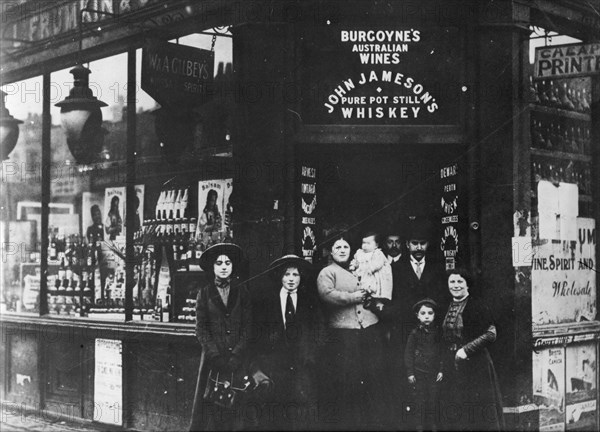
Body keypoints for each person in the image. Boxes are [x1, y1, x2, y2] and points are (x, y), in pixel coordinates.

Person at [371, 217, 446, 427]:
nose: (418, 248)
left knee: (431, 383)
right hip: (403, 332)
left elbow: (441, 299)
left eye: (422, 243)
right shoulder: (394, 268)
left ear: (428, 245)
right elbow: (389, 300)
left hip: (431, 335)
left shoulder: (437, 267)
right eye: (414, 243)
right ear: (407, 245)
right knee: (404, 376)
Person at [317, 231, 388, 430]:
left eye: (345, 247)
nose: (342, 250)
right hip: (344, 333)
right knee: (349, 380)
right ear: (331, 251)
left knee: (372, 377)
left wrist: (370, 299)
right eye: (338, 247)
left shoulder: (358, 267)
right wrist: (354, 297)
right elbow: (327, 295)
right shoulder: (327, 272)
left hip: (368, 329)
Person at [251, 254, 324, 430]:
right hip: (274, 368)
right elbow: (256, 334)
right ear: (279, 276)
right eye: (286, 274)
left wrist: (311, 356)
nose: (291, 279)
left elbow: (319, 330)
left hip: (301, 367)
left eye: (295, 275)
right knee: (274, 415)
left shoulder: (309, 300)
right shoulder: (267, 302)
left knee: (300, 415)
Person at [190, 243, 253, 431]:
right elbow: (201, 328)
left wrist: (237, 354)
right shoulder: (204, 293)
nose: (224, 266)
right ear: (213, 267)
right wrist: (214, 355)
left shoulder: (242, 292)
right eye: (219, 263)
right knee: (210, 407)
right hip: (212, 360)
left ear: (233, 266)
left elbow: (248, 327)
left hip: (237, 359)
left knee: (237, 406)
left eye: (228, 262)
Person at [440, 267, 504, 431]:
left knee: (478, 411)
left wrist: (465, 350)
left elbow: (491, 334)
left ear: (467, 284)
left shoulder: (477, 305)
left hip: (476, 365)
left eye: (460, 281)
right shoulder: (445, 306)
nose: (456, 285)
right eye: (452, 282)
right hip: (453, 366)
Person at [404, 298, 444, 432]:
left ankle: (433, 426)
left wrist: (441, 370)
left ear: (434, 315)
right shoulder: (414, 334)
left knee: (433, 400)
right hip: (419, 373)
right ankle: (419, 426)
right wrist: (410, 373)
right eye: (423, 313)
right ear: (417, 315)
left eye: (430, 313)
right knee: (419, 401)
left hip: (433, 373)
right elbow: (408, 354)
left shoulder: (438, 333)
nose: (427, 316)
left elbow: (441, 352)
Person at [350, 231, 393, 306]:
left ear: (376, 245)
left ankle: (374, 300)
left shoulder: (377, 253)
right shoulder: (359, 253)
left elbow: (379, 263)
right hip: (362, 274)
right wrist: (353, 265)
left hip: (372, 275)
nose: (365, 246)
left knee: (372, 287)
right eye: (363, 243)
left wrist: (372, 268)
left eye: (368, 243)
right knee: (361, 286)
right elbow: (355, 260)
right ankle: (365, 299)